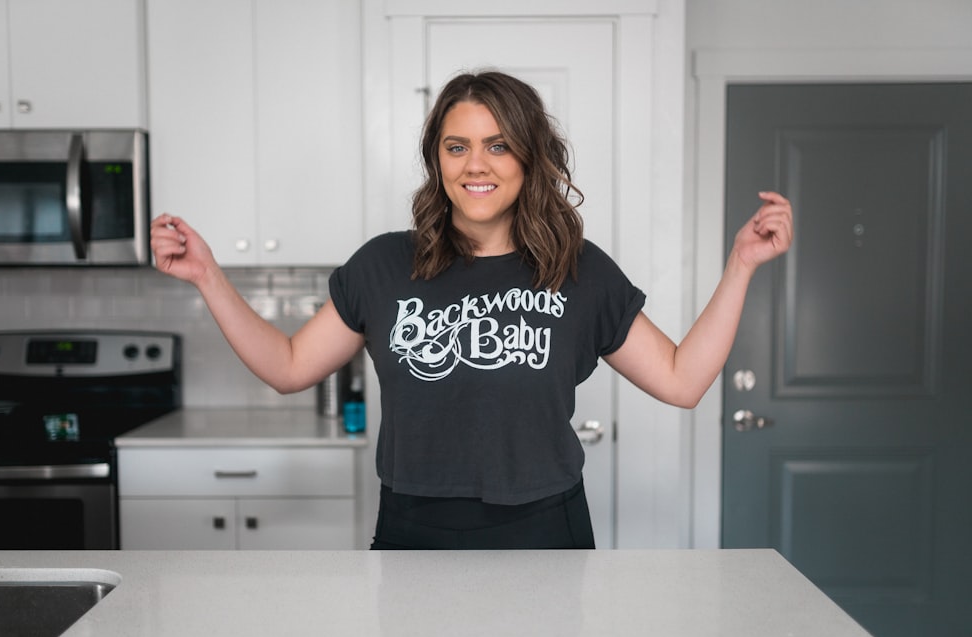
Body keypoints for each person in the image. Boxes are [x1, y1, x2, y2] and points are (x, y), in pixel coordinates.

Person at [151, 70, 793, 550]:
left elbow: (682, 381)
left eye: (498, 146)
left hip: (545, 526)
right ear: (437, 159)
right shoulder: (383, 265)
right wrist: (209, 276)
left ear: (528, 158)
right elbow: (288, 367)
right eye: (457, 146)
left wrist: (740, 265)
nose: (475, 165)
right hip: (412, 524)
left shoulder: (578, 269)